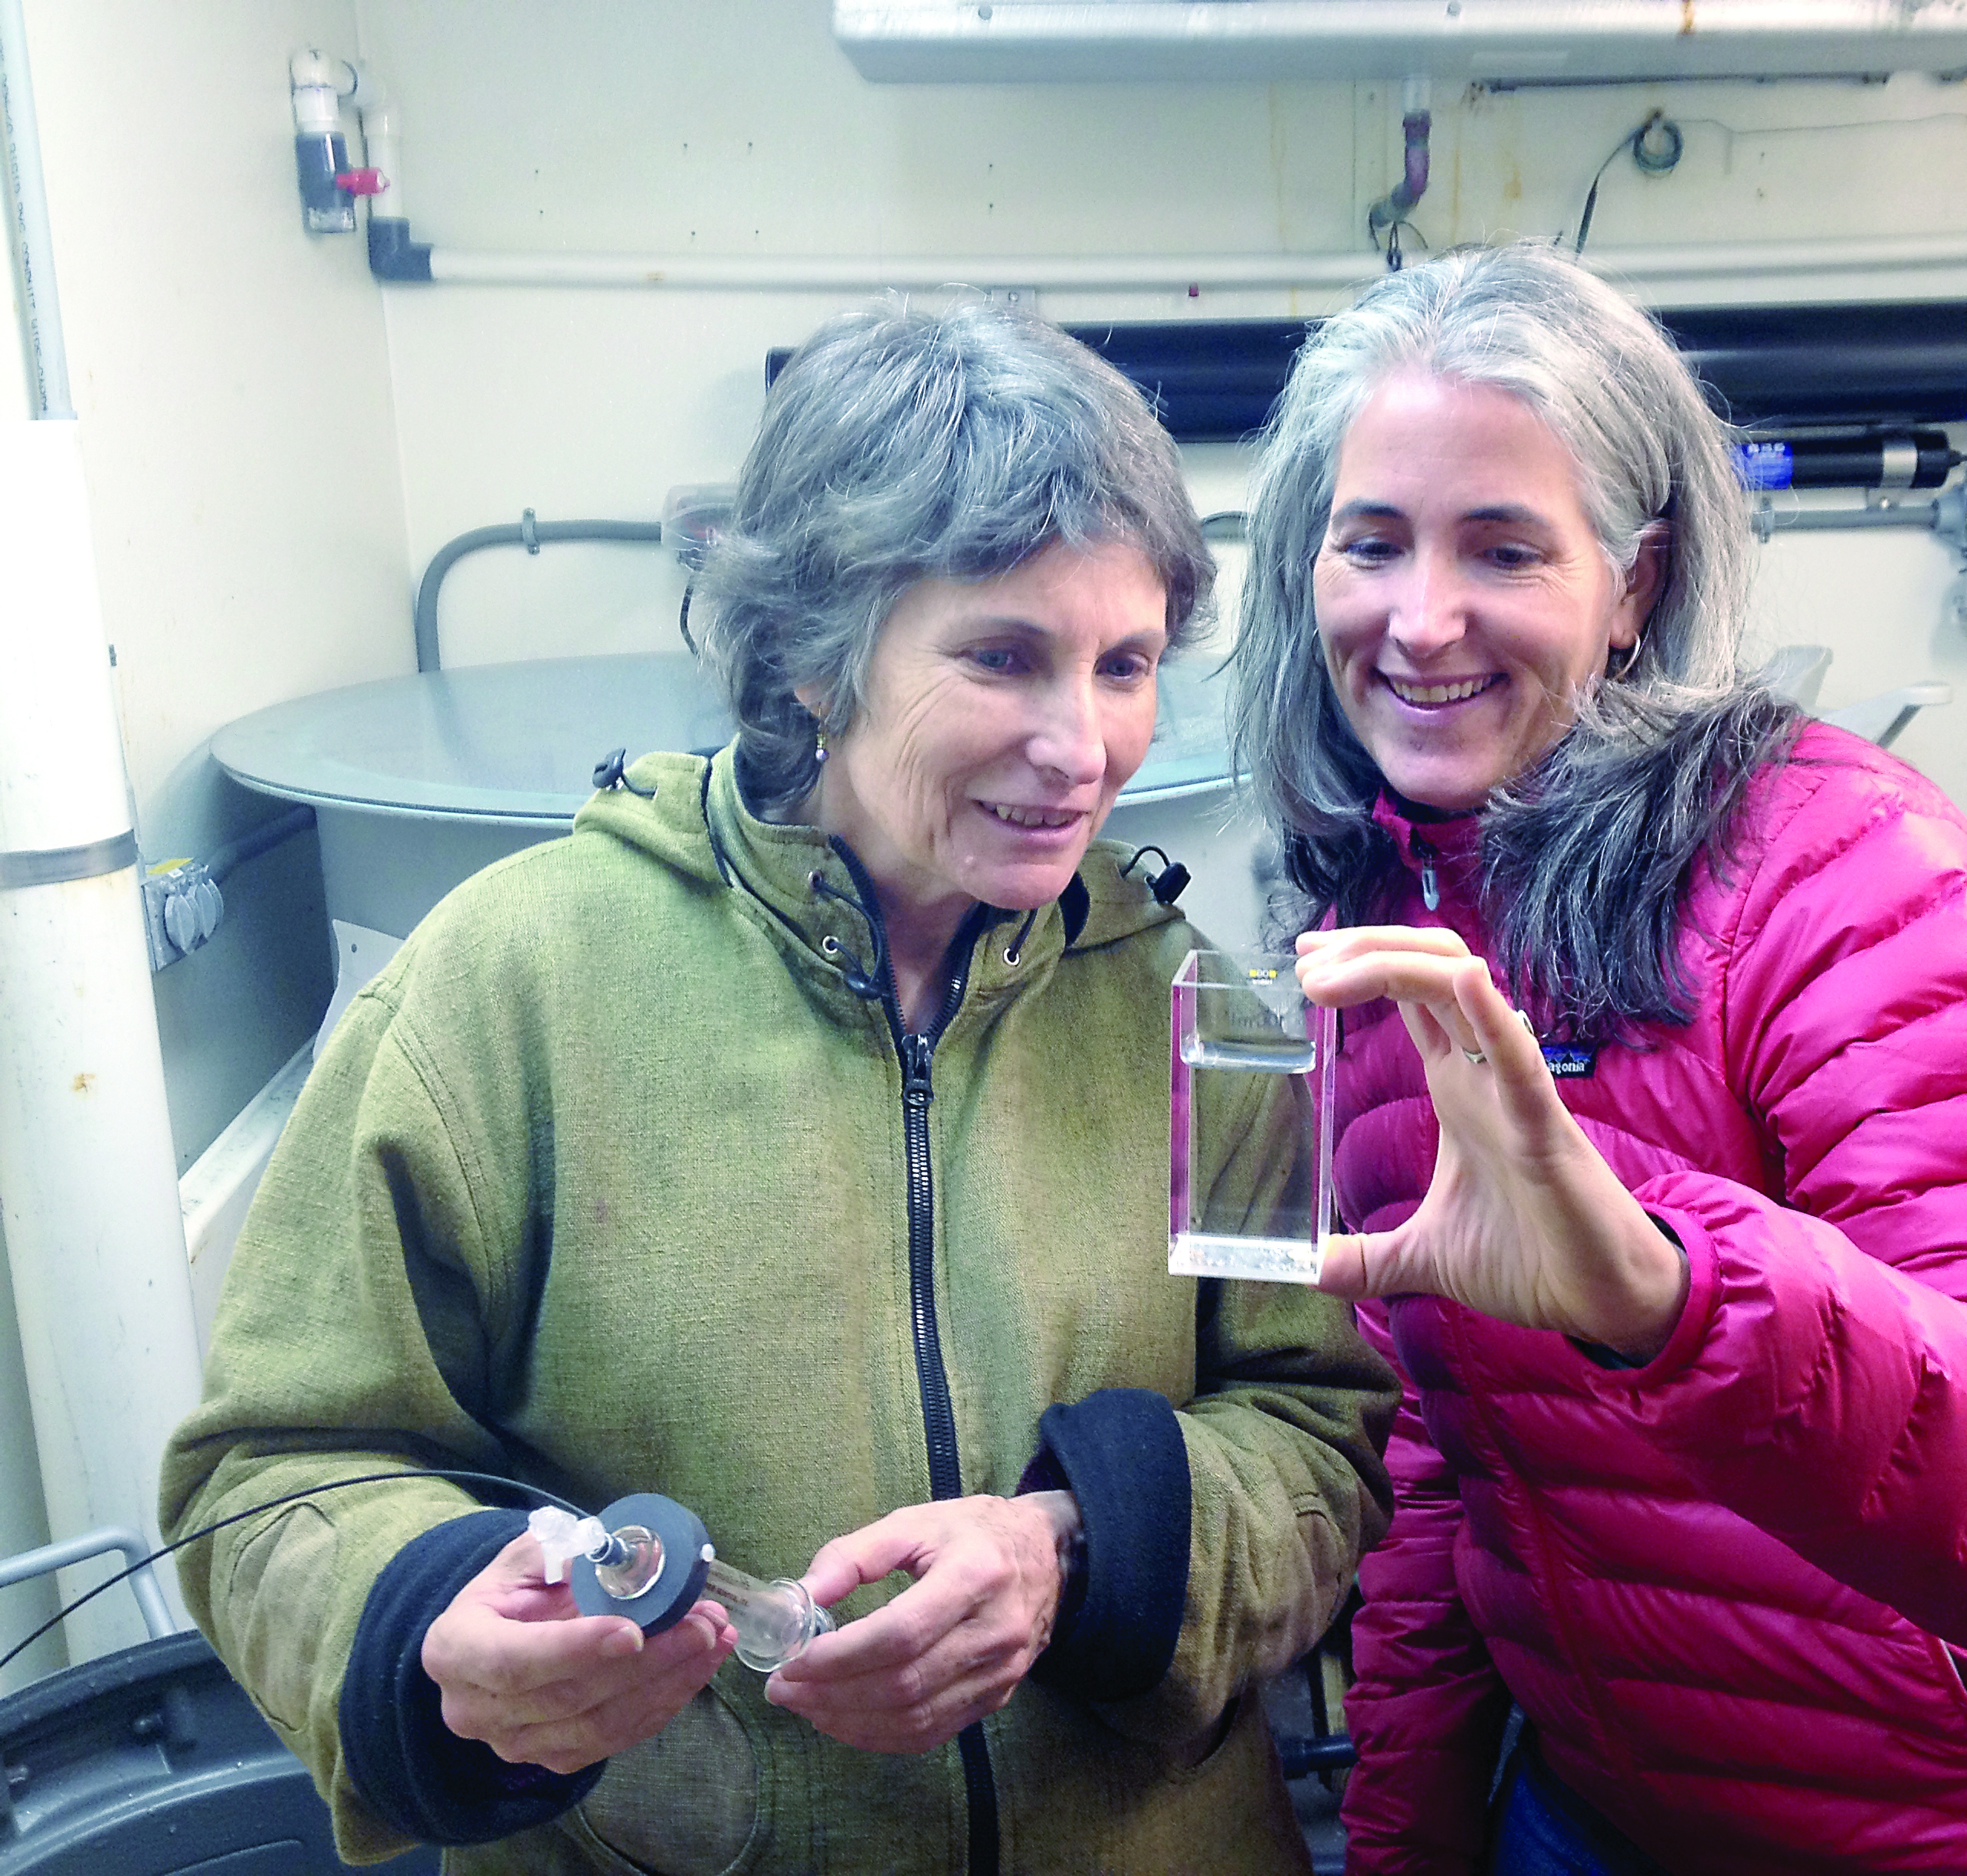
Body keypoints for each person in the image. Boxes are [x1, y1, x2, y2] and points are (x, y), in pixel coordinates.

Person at [161, 300, 1395, 1876]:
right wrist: (424, 1623)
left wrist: (1080, 1554)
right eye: (1002, 657)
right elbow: (266, 1473)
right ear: (818, 662)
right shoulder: (510, 987)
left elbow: (1320, 1430)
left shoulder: (1205, 1012)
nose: (1082, 746)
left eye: (1126, 661)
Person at [1228, 242, 1967, 1876]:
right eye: (1369, 543)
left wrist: (1669, 1295)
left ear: (1637, 586)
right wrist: (1403, 1842)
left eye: (1504, 548)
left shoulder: (1824, 866)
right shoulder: (1388, 916)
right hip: (1620, 1800)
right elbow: (1455, 1474)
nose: (1420, 617)